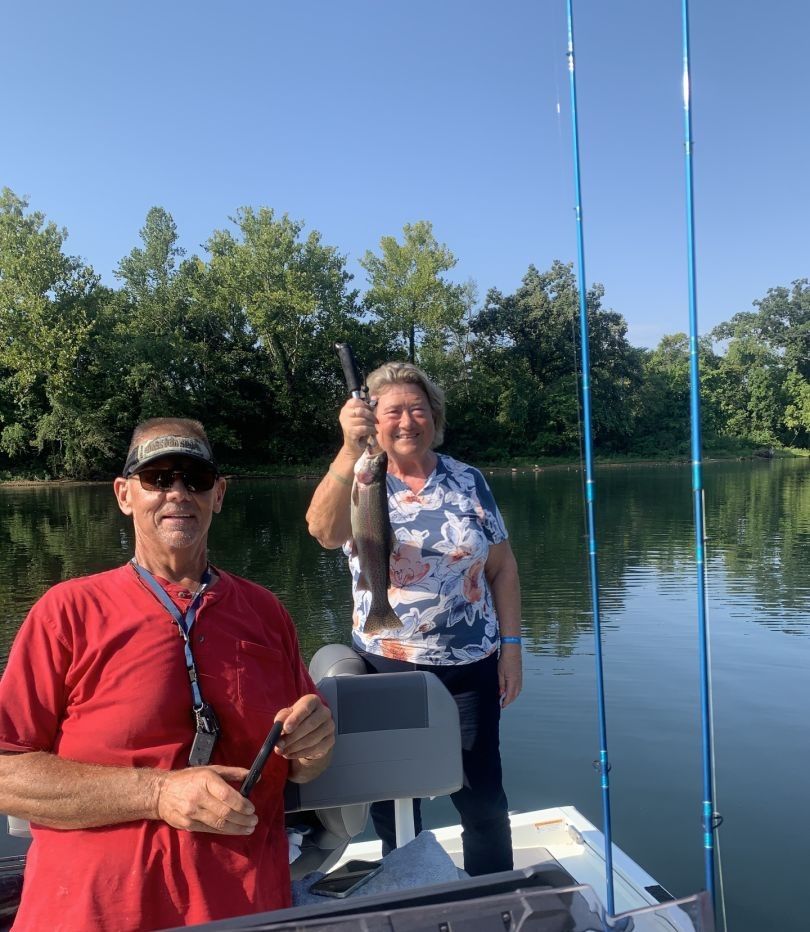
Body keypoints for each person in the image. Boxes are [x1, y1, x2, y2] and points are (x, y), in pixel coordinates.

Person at [0, 417, 335, 932]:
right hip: (90, 913)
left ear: (218, 495)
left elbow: (302, 768)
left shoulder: (266, 612)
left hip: (244, 910)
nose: (178, 493)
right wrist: (157, 794)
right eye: (157, 478)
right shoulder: (67, 611)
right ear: (124, 494)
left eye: (195, 480)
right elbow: (6, 773)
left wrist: (315, 746)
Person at [306, 362, 522, 876]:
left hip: (470, 666)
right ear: (372, 422)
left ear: (434, 417)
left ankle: (494, 896)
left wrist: (511, 648)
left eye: (418, 410)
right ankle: (408, 892)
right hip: (387, 666)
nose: (407, 422)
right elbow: (323, 531)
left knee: (483, 799)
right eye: (393, 412)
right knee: (396, 803)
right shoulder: (360, 476)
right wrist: (348, 449)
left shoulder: (468, 480)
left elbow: (503, 567)